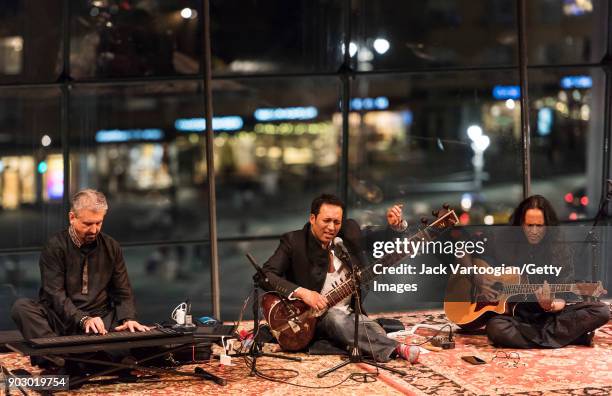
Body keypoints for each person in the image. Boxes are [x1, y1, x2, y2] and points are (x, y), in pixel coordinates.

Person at [262, 193, 418, 363]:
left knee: (373, 331)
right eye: (326, 220)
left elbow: (377, 237)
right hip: (310, 318)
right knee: (336, 318)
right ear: (313, 218)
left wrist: (395, 228)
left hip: (350, 316)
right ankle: (396, 348)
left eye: (336, 222)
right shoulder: (294, 241)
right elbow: (265, 275)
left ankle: (346, 342)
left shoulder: (347, 237)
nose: (331, 227)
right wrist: (303, 293)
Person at [11, 189, 150, 366]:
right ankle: (63, 356)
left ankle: (74, 358)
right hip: (62, 320)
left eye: (99, 223)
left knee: (127, 321)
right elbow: (55, 295)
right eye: (87, 224)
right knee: (21, 308)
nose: (94, 230)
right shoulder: (55, 246)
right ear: (72, 217)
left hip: (100, 321)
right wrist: (82, 319)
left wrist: (128, 318)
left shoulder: (111, 246)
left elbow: (123, 291)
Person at [480, 195, 609, 348]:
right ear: (521, 224)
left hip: (549, 316)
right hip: (516, 316)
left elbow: (562, 296)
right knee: (496, 328)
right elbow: (476, 256)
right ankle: (571, 337)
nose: (534, 231)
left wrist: (551, 305)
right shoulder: (504, 241)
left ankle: (540, 336)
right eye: (529, 225)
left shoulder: (560, 249)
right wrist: (481, 279)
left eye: (539, 226)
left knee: (601, 311)